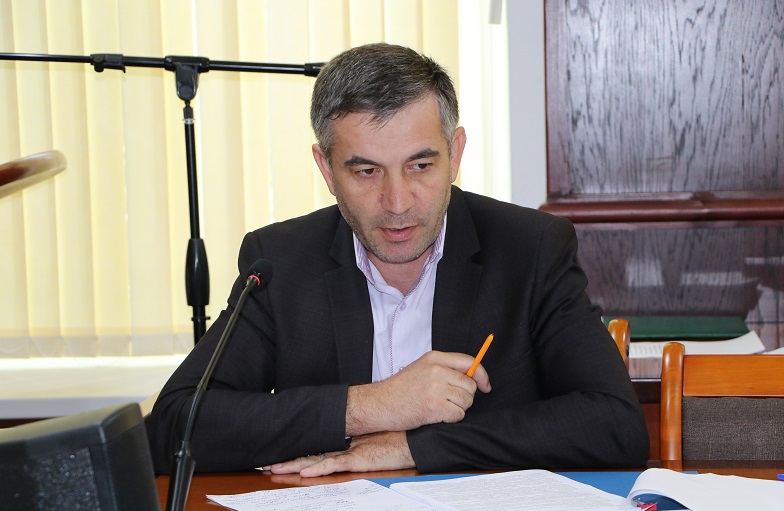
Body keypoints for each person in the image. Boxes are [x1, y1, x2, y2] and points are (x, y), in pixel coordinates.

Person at [146, 42, 649, 476]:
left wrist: (414, 447)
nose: (398, 202)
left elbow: (614, 425)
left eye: (421, 165)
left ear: (455, 153)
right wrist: (372, 405)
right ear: (326, 168)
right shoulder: (280, 261)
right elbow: (172, 427)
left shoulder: (530, 249)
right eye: (366, 172)